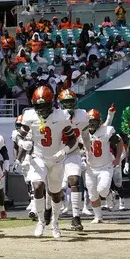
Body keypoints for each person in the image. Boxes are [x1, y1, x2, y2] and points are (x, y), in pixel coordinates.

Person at [14, 86, 77, 238]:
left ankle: (55, 223)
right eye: (39, 106)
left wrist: (64, 151)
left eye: (44, 105)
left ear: (51, 103)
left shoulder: (61, 116)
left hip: (56, 159)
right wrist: (23, 144)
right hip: (38, 157)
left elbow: (72, 138)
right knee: (37, 186)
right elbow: (18, 135)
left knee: (55, 194)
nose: (41, 110)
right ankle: (41, 221)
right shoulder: (29, 115)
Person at [57, 89, 91, 231]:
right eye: (66, 102)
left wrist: (88, 152)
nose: (69, 105)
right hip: (56, 155)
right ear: (61, 104)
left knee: (75, 181)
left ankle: (76, 217)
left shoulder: (82, 115)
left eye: (71, 102)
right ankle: (49, 213)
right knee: (56, 189)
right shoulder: (55, 115)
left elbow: (85, 135)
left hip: (73, 153)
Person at [85, 109, 123, 223]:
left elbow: (119, 142)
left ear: (99, 121)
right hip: (90, 168)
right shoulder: (83, 132)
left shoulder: (107, 130)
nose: (91, 124)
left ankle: (109, 193)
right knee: (92, 194)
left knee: (102, 190)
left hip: (105, 166)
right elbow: (78, 146)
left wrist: (117, 158)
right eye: (89, 121)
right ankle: (98, 217)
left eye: (94, 121)